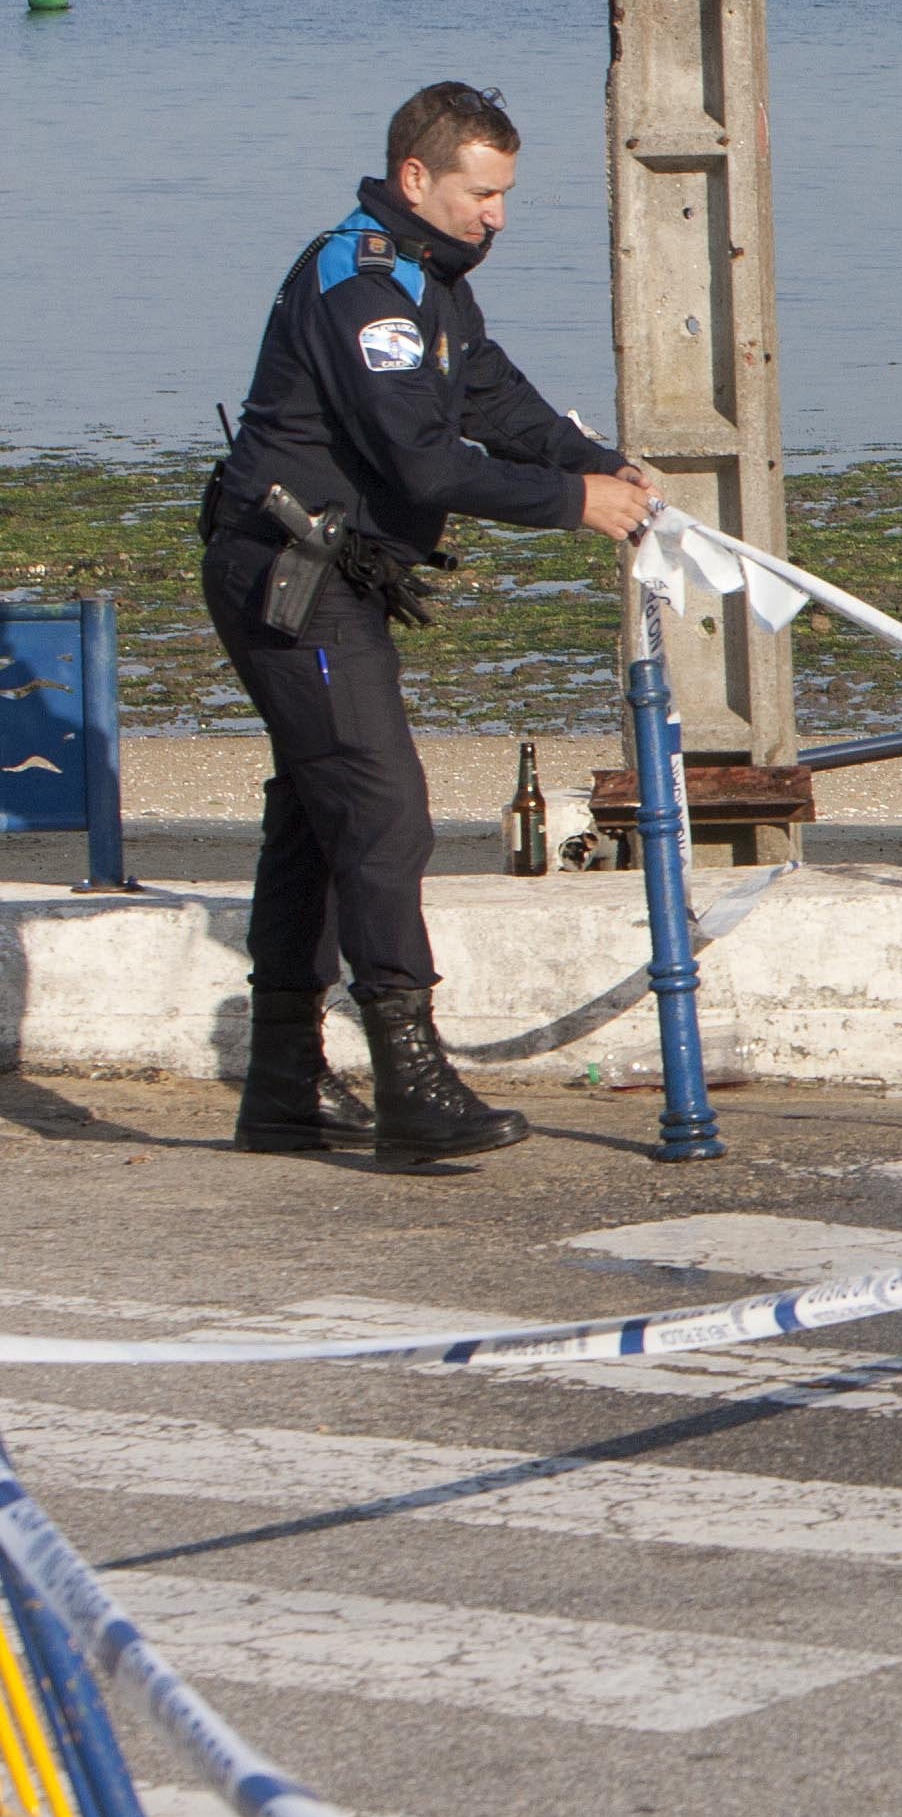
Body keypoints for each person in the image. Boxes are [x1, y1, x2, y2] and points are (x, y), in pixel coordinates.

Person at [201, 82, 655, 1161]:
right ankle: (411, 1085)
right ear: (417, 178)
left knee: (319, 820)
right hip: (288, 577)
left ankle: (282, 1091)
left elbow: (491, 400)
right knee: (385, 812)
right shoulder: (363, 288)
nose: (497, 214)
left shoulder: (432, 285)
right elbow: (423, 459)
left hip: (337, 574)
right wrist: (571, 507)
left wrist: (592, 460)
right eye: (479, 193)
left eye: (505, 195)